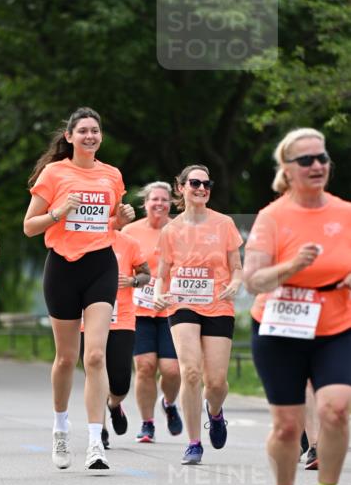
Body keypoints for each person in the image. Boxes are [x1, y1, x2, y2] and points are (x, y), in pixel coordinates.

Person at [243, 127, 351, 485]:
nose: (317, 165)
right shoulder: (272, 216)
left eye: (322, 158)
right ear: (287, 170)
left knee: (336, 410)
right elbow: (253, 280)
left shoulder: (345, 212)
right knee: (288, 426)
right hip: (280, 326)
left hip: (337, 324)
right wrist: (292, 267)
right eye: (306, 160)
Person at [24, 107, 135, 471]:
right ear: (69, 137)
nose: (90, 136)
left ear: (100, 137)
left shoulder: (112, 175)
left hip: (101, 265)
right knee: (66, 358)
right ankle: (60, 427)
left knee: (96, 356)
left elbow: (108, 222)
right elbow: (29, 227)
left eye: (95, 131)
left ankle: (94, 442)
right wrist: (58, 212)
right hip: (62, 267)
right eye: (83, 131)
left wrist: (120, 219)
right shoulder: (54, 174)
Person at [153, 165, 243, 465]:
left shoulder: (225, 224)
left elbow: (237, 268)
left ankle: (215, 413)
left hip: (218, 303)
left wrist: (234, 284)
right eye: (195, 183)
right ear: (180, 188)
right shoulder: (170, 230)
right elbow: (162, 273)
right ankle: (193, 443)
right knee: (190, 372)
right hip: (182, 303)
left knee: (215, 382)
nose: (201, 188)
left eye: (206, 183)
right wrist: (156, 294)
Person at [122, 182, 183, 443]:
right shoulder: (130, 231)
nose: (159, 203)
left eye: (165, 200)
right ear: (145, 203)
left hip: (171, 308)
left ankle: (169, 403)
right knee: (145, 367)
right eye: (154, 199)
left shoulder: (181, 230)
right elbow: (123, 267)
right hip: (140, 308)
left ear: (171, 203)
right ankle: (147, 423)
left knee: (171, 370)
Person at [80, 230, 150, 446]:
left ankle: (114, 404)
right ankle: (99, 429)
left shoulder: (128, 243)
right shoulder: (81, 240)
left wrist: (132, 281)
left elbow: (145, 274)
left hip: (122, 320)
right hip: (88, 320)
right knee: (94, 369)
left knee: (120, 382)